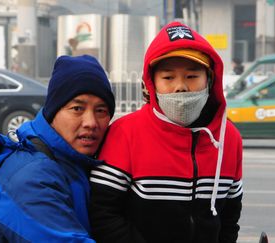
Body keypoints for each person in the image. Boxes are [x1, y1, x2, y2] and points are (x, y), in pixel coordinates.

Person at [89, 22, 243, 243]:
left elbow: (230, 216)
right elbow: (102, 213)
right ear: (151, 83)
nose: (180, 87)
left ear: (210, 80)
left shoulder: (230, 138)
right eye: (168, 78)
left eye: (191, 76)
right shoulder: (125, 133)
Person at [0, 55, 115, 242]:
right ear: (53, 112)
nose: (91, 122)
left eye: (101, 111)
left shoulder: (69, 161)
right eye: (77, 109)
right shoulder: (30, 178)